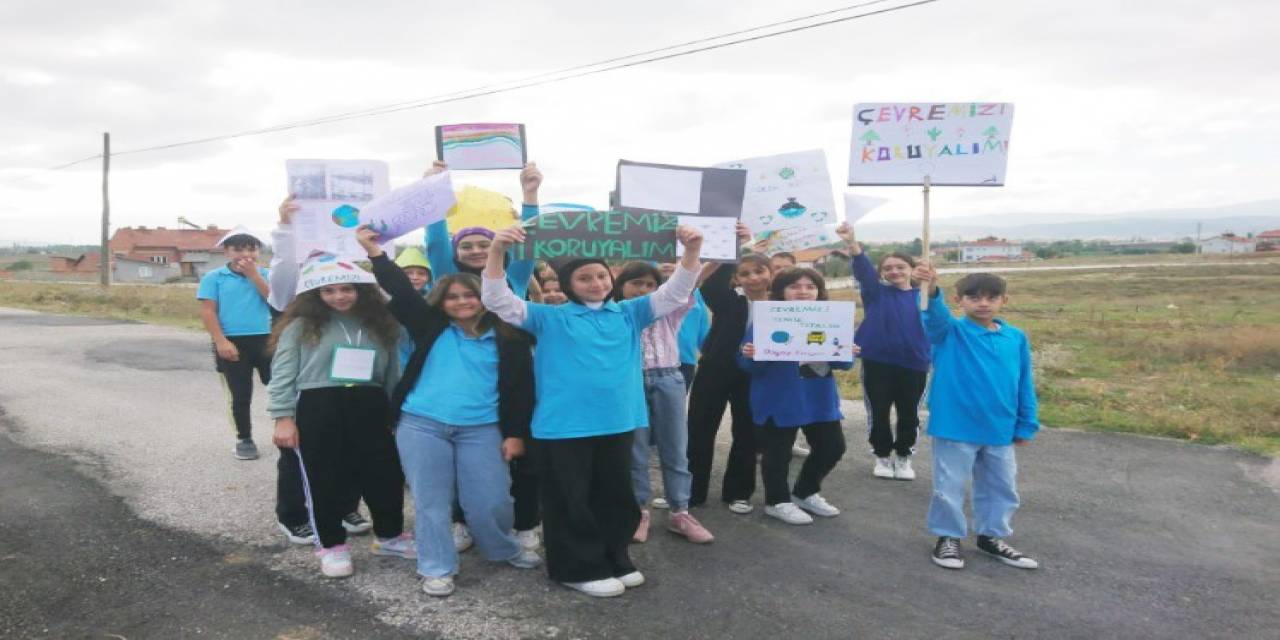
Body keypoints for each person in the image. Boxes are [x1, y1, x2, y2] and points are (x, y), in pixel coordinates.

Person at [481, 223, 704, 598]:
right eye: (584, 278)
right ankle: (575, 568)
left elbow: (677, 291)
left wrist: (692, 250)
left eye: (601, 275)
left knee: (615, 496)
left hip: (618, 421)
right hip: (564, 427)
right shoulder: (547, 316)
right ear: (569, 284)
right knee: (571, 500)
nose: (596, 282)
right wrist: (496, 251)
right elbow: (498, 300)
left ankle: (614, 557)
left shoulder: (630, 312)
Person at [358, 228, 541, 597]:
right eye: (453, 297)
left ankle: (500, 547)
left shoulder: (510, 337)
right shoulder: (431, 326)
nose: (461, 302)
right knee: (431, 501)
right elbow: (401, 288)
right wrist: (374, 251)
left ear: (485, 297)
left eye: (470, 295)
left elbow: (521, 392)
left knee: (490, 500)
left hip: (483, 428)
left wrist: (516, 434)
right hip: (422, 425)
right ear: (441, 302)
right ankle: (437, 566)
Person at [266, 253, 415, 578]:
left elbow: (392, 372)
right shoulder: (300, 326)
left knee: (385, 474)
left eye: (346, 288)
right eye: (329, 291)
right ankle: (332, 546)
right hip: (318, 405)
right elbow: (283, 373)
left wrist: (395, 412)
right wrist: (283, 417)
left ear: (361, 289)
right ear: (316, 295)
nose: (339, 296)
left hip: (371, 404)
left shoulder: (382, 324)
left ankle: (390, 535)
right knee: (324, 478)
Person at [914, 263, 1040, 571]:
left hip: (1000, 426)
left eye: (991, 297)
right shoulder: (950, 333)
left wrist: (1026, 421)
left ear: (1003, 301)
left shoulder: (1015, 337)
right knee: (950, 486)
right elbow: (934, 317)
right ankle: (948, 537)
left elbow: (1024, 381)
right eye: (973, 297)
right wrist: (930, 289)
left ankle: (991, 535)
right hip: (955, 426)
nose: (983, 303)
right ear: (960, 301)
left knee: (1001, 486)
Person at [268, 196, 370, 545]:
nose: (338, 293)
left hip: (352, 386)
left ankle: (344, 506)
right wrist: (284, 228)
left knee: (350, 448)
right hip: (309, 387)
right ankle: (294, 515)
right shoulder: (297, 282)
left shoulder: (353, 273)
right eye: (330, 289)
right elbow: (280, 274)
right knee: (299, 453)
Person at [737, 268, 851, 525]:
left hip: (818, 397)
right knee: (777, 453)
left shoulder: (832, 319)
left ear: (819, 292)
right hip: (778, 397)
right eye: (794, 286)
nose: (803, 291)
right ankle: (777, 501)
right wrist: (750, 355)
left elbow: (843, 365)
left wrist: (847, 350)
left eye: (810, 287)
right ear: (781, 292)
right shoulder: (766, 321)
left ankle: (805, 491)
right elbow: (747, 366)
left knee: (832, 446)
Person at [612, 262, 714, 545]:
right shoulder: (614, 312)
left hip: (669, 377)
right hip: (629, 382)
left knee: (675, 447)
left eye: (649, 285)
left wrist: (716, 257)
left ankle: (680, 511)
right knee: (636, 450)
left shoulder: (668, 310)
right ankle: (639, 511)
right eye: (636, 283)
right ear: (621, 284)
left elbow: (690, 283)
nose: (643, 289)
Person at [836, 223, 931, 480]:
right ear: (881, 273)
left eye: (900, 267)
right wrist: (853, 244)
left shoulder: (923, 296)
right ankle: (882, 456)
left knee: (909, 414)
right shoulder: (876, 292)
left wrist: (930, 280)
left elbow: (940, 318)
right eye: (887, 268)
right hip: (877, 362)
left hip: (915, 363)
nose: (894, 271)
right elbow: (863, 271)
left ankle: (903, 457)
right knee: (878, 412)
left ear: (912, 270)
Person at [686, 223, 769, 513]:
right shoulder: (728, 300)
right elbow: (710, 284)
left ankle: (738, 493)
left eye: (759, 271)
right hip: (714, 369)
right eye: (745, 273)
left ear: (770, 274)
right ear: (737, 278)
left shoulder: (785, 308)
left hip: (754, 374)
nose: (753, 278)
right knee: (699, 428)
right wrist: (733, 246)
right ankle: (690, 493)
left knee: (747, 432)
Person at [197, 226, 272, 461]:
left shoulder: (267, 274)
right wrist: (220, 341)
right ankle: (244, 438)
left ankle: (291, 430)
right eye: (238, 249)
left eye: (251, 248)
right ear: (227, 252)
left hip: (267, 339)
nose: (245, 254)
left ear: (259, 251)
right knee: (240, 394)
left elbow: (274, 300)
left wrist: (254, 275)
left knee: (281, 388)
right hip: (232, 341)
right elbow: (208, 311)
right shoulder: (214, 278)